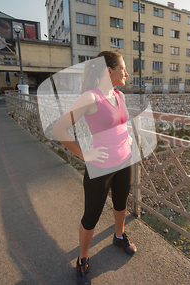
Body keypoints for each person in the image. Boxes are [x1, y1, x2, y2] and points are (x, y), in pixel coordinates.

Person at [52, 51, 136, 285]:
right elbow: (59, 130)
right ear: (109, 70)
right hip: (100, 167)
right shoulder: (90, 98)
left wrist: (127, 139)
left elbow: (121, 124)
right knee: (91, 216)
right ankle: (83, 258)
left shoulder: (120, 96)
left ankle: (119, 236)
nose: (127, 73)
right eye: (123, 68)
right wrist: (85, 154)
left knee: (121, 204)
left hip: (124, 161)